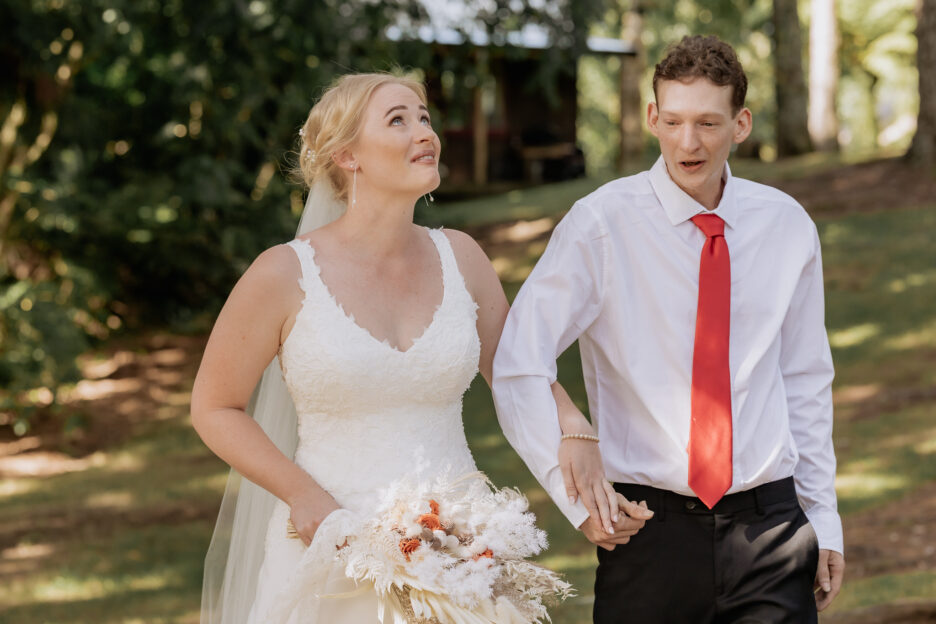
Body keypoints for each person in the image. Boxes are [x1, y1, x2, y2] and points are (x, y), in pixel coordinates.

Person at [493, 35, 845, 623]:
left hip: (772, 529)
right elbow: (518, 363)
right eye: (674, 120)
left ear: (741, 124)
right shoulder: (601, 225)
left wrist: (823, 516)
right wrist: (577, 500)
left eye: (708, 122)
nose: (689, 142)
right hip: (647, 534)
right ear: (653, 116)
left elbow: (805, 378)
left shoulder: (786, 226)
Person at [190, 73, 512, 623]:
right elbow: (214, 406)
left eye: (425, 117)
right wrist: (302, 495)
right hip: (334, 546)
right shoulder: (283, 273)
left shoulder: (464, 258)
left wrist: (579, 443)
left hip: (457, 546)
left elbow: (520, 382)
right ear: (347, 156)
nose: (424, 132)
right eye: (398, 120)